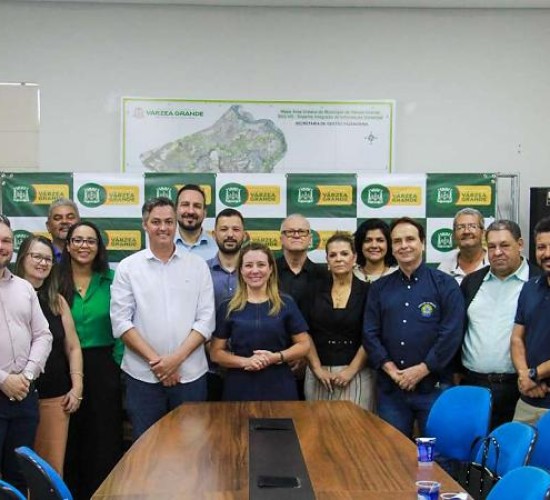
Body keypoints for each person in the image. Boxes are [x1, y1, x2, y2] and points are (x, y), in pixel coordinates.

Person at [110, 197, 215, 440]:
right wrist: (159, 364)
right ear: (145, 224)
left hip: (190, 375)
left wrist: (174, 361)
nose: (163, 228)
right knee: (147, 447)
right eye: (156, 222)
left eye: (169, 221)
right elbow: (121, 322)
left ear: (175, 224)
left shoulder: (198, 266)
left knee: (192, 447)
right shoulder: (128, 268)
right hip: (143, 377)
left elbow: (206, 320)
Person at [363, 217, 464, 437]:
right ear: (392, 247)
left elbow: (451, 334)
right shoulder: (379, 288)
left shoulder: (446, 285)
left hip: (434, 387)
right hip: (391, 390)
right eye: (397, 241)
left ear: (423, 243)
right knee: (393, 451)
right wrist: (392, 371)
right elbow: (370, 334)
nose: (404, 245)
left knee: (436, 452)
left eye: (410, 239)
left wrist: (421, 370)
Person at [58, 221, 123, 500]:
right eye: (78, 240)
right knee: (69, 435)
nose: (84, 246)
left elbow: (124, 322)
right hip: (63, 367)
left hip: (104, 366)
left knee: (103, 436)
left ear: (99, 247)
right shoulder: (54, 280)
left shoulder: (113, 280)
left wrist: (118, 363)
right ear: (68, 245)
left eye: (90, 241)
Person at [460, 219, 540, 430]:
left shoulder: (539, 282)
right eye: (492, 246)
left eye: (504, 245)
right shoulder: (472, 282)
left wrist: (537, 378)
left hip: (521, 387)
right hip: (473, 384)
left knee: (513, 447)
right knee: (472, 446)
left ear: (520, 244)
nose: (497, 252)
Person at [14, 235, 83, 476]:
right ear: (22, 258)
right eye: (37, 256)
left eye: (48, 259)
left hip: (54, 397)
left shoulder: (57, 301)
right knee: (15, 470)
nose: (42, 263)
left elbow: (73, 347)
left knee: (50, 471)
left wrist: (77, 386)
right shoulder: (6, 295)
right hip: (13, 396)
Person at [210, 242, 310, 401]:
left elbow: (304, 345)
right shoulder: (228, 307)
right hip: (239, 385)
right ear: (241, 270)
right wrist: (245, 361)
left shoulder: (286, 303)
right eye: (248, 265)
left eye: (261, 265)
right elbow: (215, 353)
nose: (255, 270)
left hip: (280, 384)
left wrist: (276, 357)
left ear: (270, 269)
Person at [0, 215, 52, 494]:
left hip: (24, 397)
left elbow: (43, 335)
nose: (2, 246)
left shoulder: (24, 288)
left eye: (6, 240)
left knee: (18, 478)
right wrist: (3, 379)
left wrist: (27, 376)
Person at [304, 232, 373, 410]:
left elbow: (371, 334)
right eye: (333, 255)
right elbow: (304, 332)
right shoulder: (312, 290)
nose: (339, 259)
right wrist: (317, 369)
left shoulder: (369, 292)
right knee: (316, 425)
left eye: (344, 254)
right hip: (318, 373)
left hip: (356, 373)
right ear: (327, 260)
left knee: (355, 425)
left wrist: (351, 370)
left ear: (354, 257)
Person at [511, 216, 550, 424]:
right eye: (541, 247)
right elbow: (517, 338)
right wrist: (524, 375)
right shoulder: (530, 288)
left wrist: (533, 375)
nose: (547, 253)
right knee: (513, 446)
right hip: (529, 400)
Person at [206, 208, 247, 401]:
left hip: (249, 366)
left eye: (236, 229)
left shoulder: (256, 272)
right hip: (209, 368)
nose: (230, 234)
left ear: (244, 235)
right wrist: (213, 350)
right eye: (224, 229)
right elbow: (192, 316)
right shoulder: (201, 271)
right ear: (214, 234)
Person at [438, 208, 489, 284]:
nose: (466, 231)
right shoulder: (446, 266)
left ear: (483, 232)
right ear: (454, 234)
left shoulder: (493, 261)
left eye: (472, 226)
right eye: (460, 227)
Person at [174, 184, 217, 260]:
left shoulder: (217, 249)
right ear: (175, 210)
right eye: (185, 205)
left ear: (205, 213)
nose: (191, 211)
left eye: (197, 206)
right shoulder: (162, 246)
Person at [353, 218, 397, 283]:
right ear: (360, 244)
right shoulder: (350, 274)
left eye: (380, 240)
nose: (374, 245)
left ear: (389, 244)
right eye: (368, 240)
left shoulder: (398, 275)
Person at [46, 198, 80, 262]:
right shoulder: (41, 256)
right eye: (58, 218)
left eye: (70, 217)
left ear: (79, 224)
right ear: (48, 226)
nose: (64, 221)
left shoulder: (91, 256)